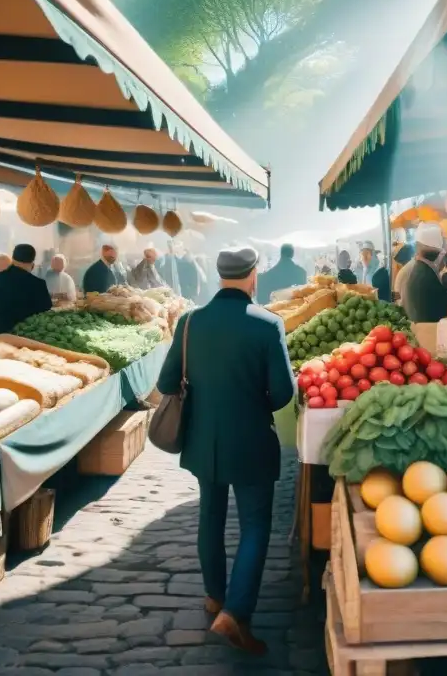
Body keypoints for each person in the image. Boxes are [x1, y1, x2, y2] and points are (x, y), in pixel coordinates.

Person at [156, 246, 294, 655]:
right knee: (254, 526)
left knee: (210, 517)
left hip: (203, 439)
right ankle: (234, 612)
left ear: (218, 277)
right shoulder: (268, 325)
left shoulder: (190, 321)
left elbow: (166, 384)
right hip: (251, 439)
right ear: (254, 276)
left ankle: (215, 596)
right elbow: (284, 392)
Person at [0, 244, 52, 337]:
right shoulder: (39, 284)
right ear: (32, 262)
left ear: (13, 259)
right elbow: (46, 313)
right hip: (29, 339)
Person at [402, 222, 447, 323]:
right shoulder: (425, 275)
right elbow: (443, 307)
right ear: (439, 255)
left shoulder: (420, 269)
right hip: (428, 331)